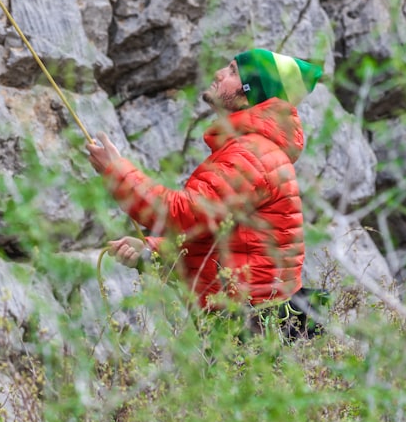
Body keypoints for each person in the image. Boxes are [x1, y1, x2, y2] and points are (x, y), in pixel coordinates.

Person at [86, 48, 322, 318]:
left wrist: (116, 173)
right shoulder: (253, 150)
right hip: (253, 322)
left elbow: (182, 215)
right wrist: (153, 252)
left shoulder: (252, 155)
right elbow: (219, 240)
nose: (219, 74)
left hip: (251, 324)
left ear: (248, 95)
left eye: (233, 71)